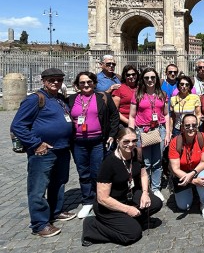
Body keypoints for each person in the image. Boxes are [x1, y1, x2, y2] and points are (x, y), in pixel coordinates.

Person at [10, 68, 76, 237]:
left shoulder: (60, 99)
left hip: (61, 149)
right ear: (43, 81)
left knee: (59, 182)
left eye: (59, 80)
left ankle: (55, 211)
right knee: (38, 188)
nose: (55, 82)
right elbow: (17, 126)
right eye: (51, 80)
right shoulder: (35, 99)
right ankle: (39, 224)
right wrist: (36, 143)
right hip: (42, 151)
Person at [81, 127, 163, 246]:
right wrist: (127, 209)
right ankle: (92, 225)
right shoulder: (109, 163)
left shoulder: (136, 153)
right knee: (133, 234)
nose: (131, 144)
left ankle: (131, 221)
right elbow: (102, 198)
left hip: (128, 195)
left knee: (155, 203)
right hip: (108, 206)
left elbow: (143, 173)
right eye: (126, 141)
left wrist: (145, 193)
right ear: (117, 141)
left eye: (134, 141)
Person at [68, 72, 120, 219]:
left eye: (89, 82)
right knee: (83, 171)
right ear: (77, 85)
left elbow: (114, 116)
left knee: (97, 171)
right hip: (78, 142)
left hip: (98, 140)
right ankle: (87, 201)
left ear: (94, 83)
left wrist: (112, 134)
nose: (86, 85)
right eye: (82, 82)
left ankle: (101, 199)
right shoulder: (70, 100)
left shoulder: (103, 97)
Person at [128, 67, 170, 202]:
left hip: (159, 130)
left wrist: (168, 132)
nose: (150, 80)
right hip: (142, 131)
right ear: (143, 79)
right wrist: (131, 134)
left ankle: (156, 187)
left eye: (152, 77)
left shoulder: (162, 94)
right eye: (147, 78)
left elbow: (166, 114)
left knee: (157, 161)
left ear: (157, 79)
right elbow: (132, 116)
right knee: (145, 162)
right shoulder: (137, 94)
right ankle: (146, 189)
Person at [168, 114, 204, 219]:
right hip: (181, 173)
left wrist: (192, 175)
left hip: (198, 169)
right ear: (182, 127)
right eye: (187, 125)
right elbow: (175, 169)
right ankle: (192, 189)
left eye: (194, 125)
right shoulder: (175, 142)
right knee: (183, 206)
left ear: (197, 126)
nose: (191, 128)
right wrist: (193, 181)